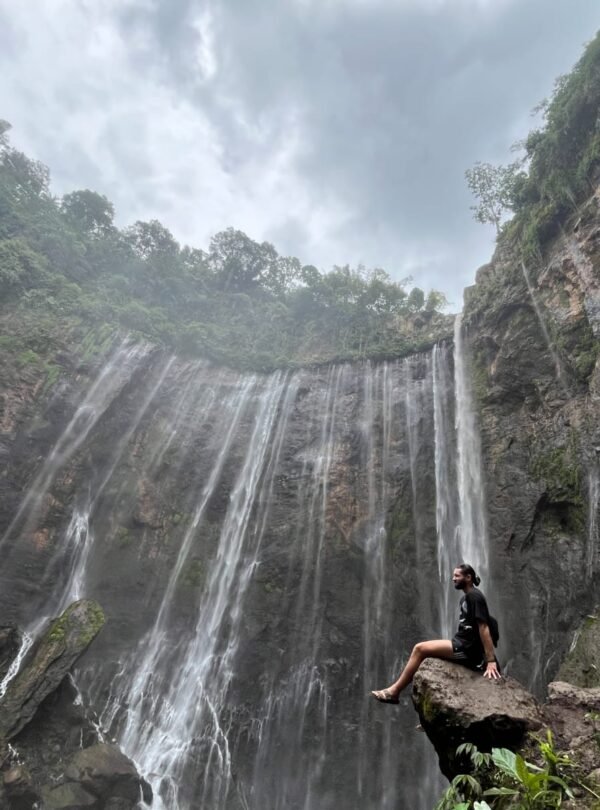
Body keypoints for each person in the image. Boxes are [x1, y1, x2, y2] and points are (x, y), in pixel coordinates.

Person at [371, 563, 501, 704]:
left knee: (420, 649)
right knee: (424, 649)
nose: (453, 578)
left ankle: (394, 692)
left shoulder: (475, 597)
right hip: (461, 644)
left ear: (468, 577)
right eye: (453, 575)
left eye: (457, 575)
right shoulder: (466, 598)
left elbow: (484, 627)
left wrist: (490, 661)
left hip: (466, 649)